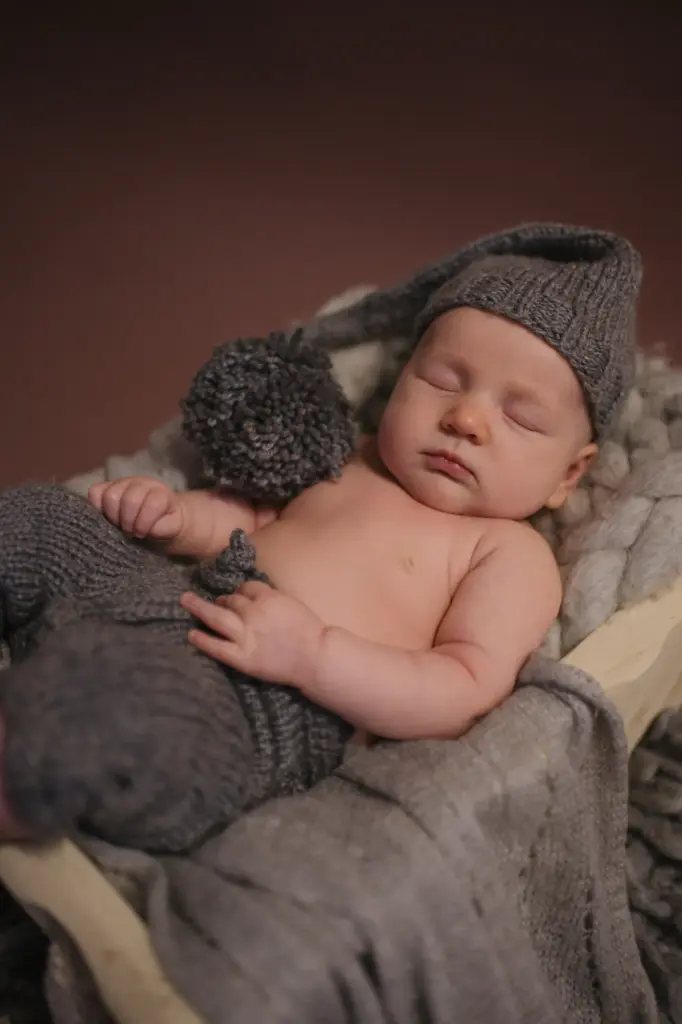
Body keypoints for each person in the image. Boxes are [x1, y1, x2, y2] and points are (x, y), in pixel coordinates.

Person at [0, 223, 641, 845]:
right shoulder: (358, 457)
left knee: (125, 704)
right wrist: (175, 518)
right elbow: (258, 522)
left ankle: (25, 773)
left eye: (520, 417)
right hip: (183, 590)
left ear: (569, 474)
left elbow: (463, 688)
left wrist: (314, 656)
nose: (466, 418)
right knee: (46, 519)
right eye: (442, 381)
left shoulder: (508, 553)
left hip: (267, 697)